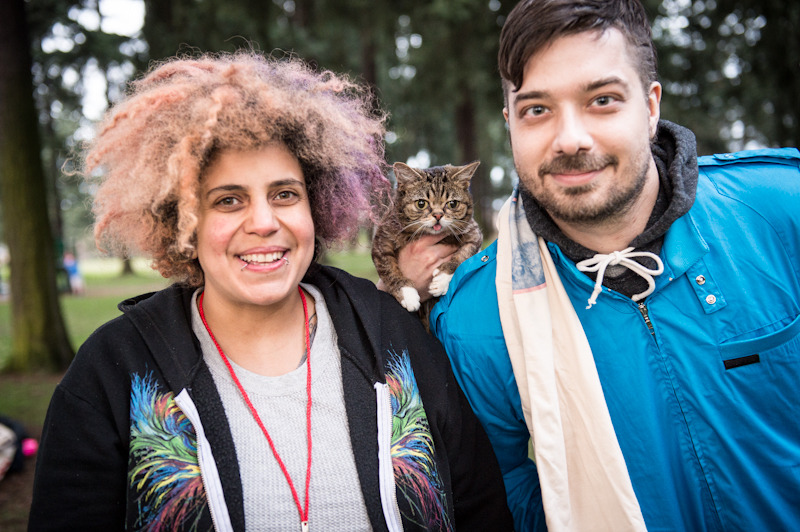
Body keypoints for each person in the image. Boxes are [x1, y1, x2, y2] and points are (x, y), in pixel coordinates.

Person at [28, 52, 513, 531]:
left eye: (285, 194)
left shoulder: (396, 339)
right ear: (183, 220)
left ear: (317, 206)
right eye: (228, 200)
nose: (264, 223)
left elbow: (482, 511)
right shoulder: (112, 371)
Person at [399, 1, 800, 530]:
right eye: (537, 109)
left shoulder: (780, 209)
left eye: (603, 100)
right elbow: (502, 500)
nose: (570, 139)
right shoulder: (476, 317)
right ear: (510, 123)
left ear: (651, 105)